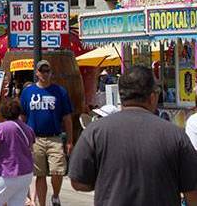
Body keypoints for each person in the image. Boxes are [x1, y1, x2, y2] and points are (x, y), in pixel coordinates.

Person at [69, 66, 197, 205]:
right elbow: (192, 192)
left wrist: (108, 181)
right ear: (152, 97)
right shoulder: (175, 135)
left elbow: (77, 182)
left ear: (121, 95)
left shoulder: (95, 131)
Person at [20, 60, 73, 206]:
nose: (44, 74)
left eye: (47, 71)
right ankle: (41, 203)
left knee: (58, 171)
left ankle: (55, 196)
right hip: (34, 138)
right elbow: (22, 117)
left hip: (54, 137)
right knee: (40, 174)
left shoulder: (60, 92)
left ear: (51, 73)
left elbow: (67, 118)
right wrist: (22, 138)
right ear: (36, 73)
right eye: (41, 71)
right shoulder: (27, 92)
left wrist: (69, 140)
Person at [0, 98, 35, 206]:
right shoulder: (27, 128)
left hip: (7, 172)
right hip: (25, 173)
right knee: (17, 203)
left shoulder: (2, 127)